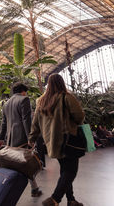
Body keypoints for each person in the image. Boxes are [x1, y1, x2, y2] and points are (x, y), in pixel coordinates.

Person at [29, 74, 84, 206]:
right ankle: (54, 199)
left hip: (51, 142)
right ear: (62, 83)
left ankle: (71, 200)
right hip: (68, 140)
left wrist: (32, 137)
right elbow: (79, 116)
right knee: (71, 171)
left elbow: (35, 122)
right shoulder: (66, 97)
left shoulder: (41, 101)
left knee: (65, 170)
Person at [0, 82, 42, 198]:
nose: (26, 94)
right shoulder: (24, 99)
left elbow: (4, 123)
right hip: (22, 138)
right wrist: (30, 138)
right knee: (25, 164)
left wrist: (1, 137)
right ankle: (31, 189)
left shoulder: (6, 104)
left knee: (18, 164)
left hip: (10, 139)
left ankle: (34, 188)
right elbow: (26, 120)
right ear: (23, 91)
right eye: (25, 92)